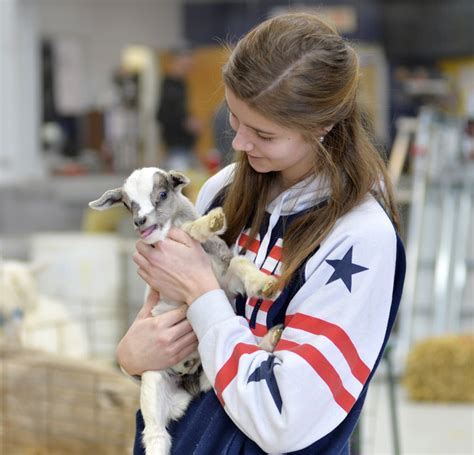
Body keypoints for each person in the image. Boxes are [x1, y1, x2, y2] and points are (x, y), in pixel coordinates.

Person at [117, 12, 406, 454]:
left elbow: (284, 419)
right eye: (234, 118)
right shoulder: (222, 192)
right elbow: (166, 332)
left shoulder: (360, 238)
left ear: (323, 126)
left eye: (263, 134)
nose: (239, 143)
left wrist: (201, 291)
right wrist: (136, 357)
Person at [156, 48, 203, 170]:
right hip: (176, 146)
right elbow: (161, 115)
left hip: (185, 146)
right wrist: (186, 122)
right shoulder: (169, 85)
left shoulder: (181, 84)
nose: (189, 67)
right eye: (186, 64)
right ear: (176, 62)